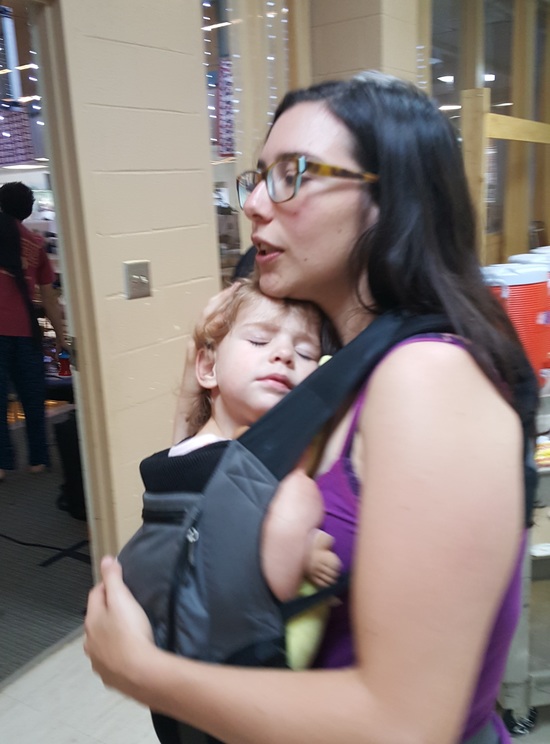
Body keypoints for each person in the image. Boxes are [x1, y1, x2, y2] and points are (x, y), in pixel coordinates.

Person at [85, 71, 538, 744]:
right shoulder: (345, 372)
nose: (254, 204)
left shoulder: (430, 378)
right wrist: (197, 383)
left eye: (292, 174)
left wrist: (141, 671)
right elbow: (219, 493)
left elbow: (405, 726)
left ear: (389, 201)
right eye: (259, 177)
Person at [126, 279, 341, 670]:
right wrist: (302, 553)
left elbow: (189, 433)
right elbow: (268, 586)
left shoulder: (186, 454)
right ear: (209, 368)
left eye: (305, 352)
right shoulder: (258, 474)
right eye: (259, 341)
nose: (284, 355)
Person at [0, 181, 66, 482]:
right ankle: (38, 459)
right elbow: (49, 298)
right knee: (32, 397)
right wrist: (61, 335)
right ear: (28, 210)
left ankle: (3, 464)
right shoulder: (36, 243)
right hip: (26, 330)